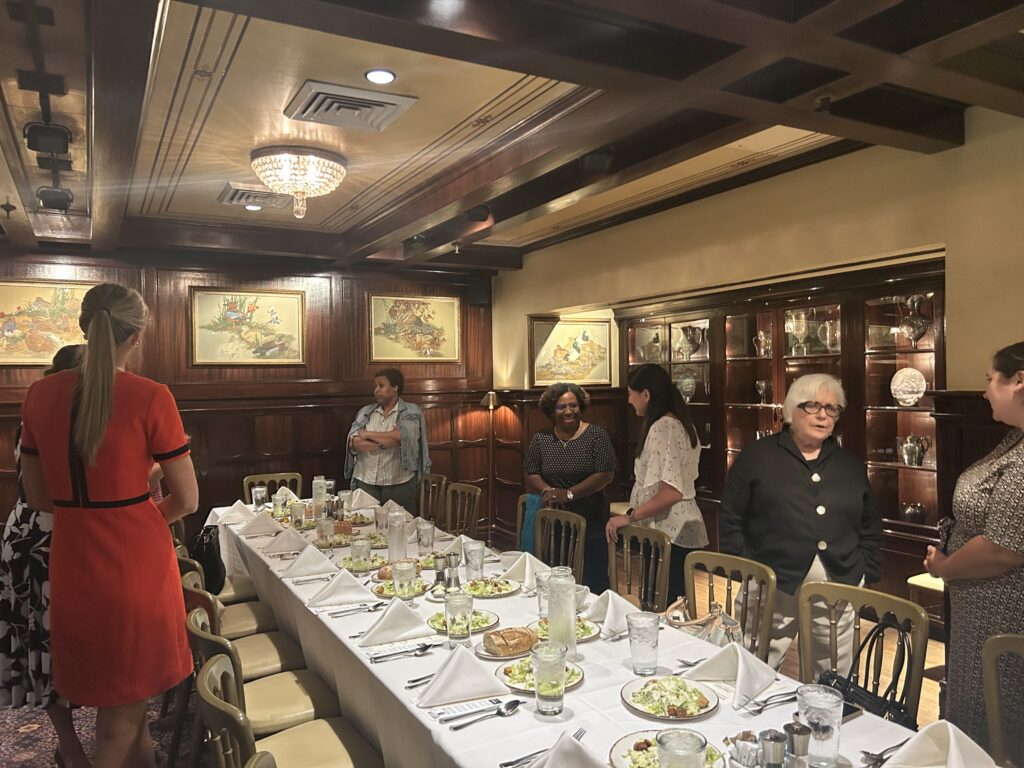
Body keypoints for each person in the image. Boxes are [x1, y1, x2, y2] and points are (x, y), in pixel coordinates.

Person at [19, 284, 199, 768]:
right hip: (136, 561)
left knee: (127, 703)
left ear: (84, 326)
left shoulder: (39, 394)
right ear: (137, 334)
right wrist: (139, 518)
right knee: (122, 713)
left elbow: (38, 497)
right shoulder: (151, 396)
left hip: (73, 557)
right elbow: (187, 499)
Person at [719, 373, 881, 673]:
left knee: (831, 675)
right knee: (752, 666)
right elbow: (731, 516)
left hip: (838, 582)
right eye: (813, 406)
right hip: (770, 582)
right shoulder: (757, 456)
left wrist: (864, 569)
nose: (823, 415)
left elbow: (870, 522)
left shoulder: (849, 465)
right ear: (791, 409)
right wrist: (746, 567)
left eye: (831, 408)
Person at [924, 341, 1024, 763]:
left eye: (990, 380)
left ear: (1019, 381)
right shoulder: (1015, 438)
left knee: (998, 718)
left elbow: (1003, 548)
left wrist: (945, 566)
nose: (985, 391)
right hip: (979, 610)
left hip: (1003, 610)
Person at [0, 344, 87, 767]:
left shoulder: (49, 413)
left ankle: (94, 742)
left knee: (76, 645)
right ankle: (70, 748)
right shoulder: (53, 419)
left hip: (41, 533)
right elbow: (60, 493)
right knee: (47, 648)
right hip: (44, 541)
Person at [606, 363, 706, 604]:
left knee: (661, 608)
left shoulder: (663, 427)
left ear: (646, 394)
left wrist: (629, 517)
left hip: (670, 530)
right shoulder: (681, 423)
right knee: (670, 604)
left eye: (631, 394)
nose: (629, 401)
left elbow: (671, 492)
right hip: (676, 527)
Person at [525, 382, 617, 593]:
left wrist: (569, 494)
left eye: (573, 405)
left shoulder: (596, 435)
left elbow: (606, 474)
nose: (568, 411)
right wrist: (548, 491)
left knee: (593, 579)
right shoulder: (541, 438)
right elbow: (530, 472)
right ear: (551, 410)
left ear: (581, 407)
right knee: (555, 577)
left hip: (591, 518)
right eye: (562, 406)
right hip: (554, 520)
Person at [345, 367, 430, 513]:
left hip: (398, 482)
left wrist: (367, 434)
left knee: (401, 525)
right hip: (366, 481)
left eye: (381, 385)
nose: (376, 390)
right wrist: (386, 440)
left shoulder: (411, 412)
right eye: (376, 386)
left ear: (395, 387)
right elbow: (354, 443)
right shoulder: (366, 412)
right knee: (365, 524)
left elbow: (403, 439)